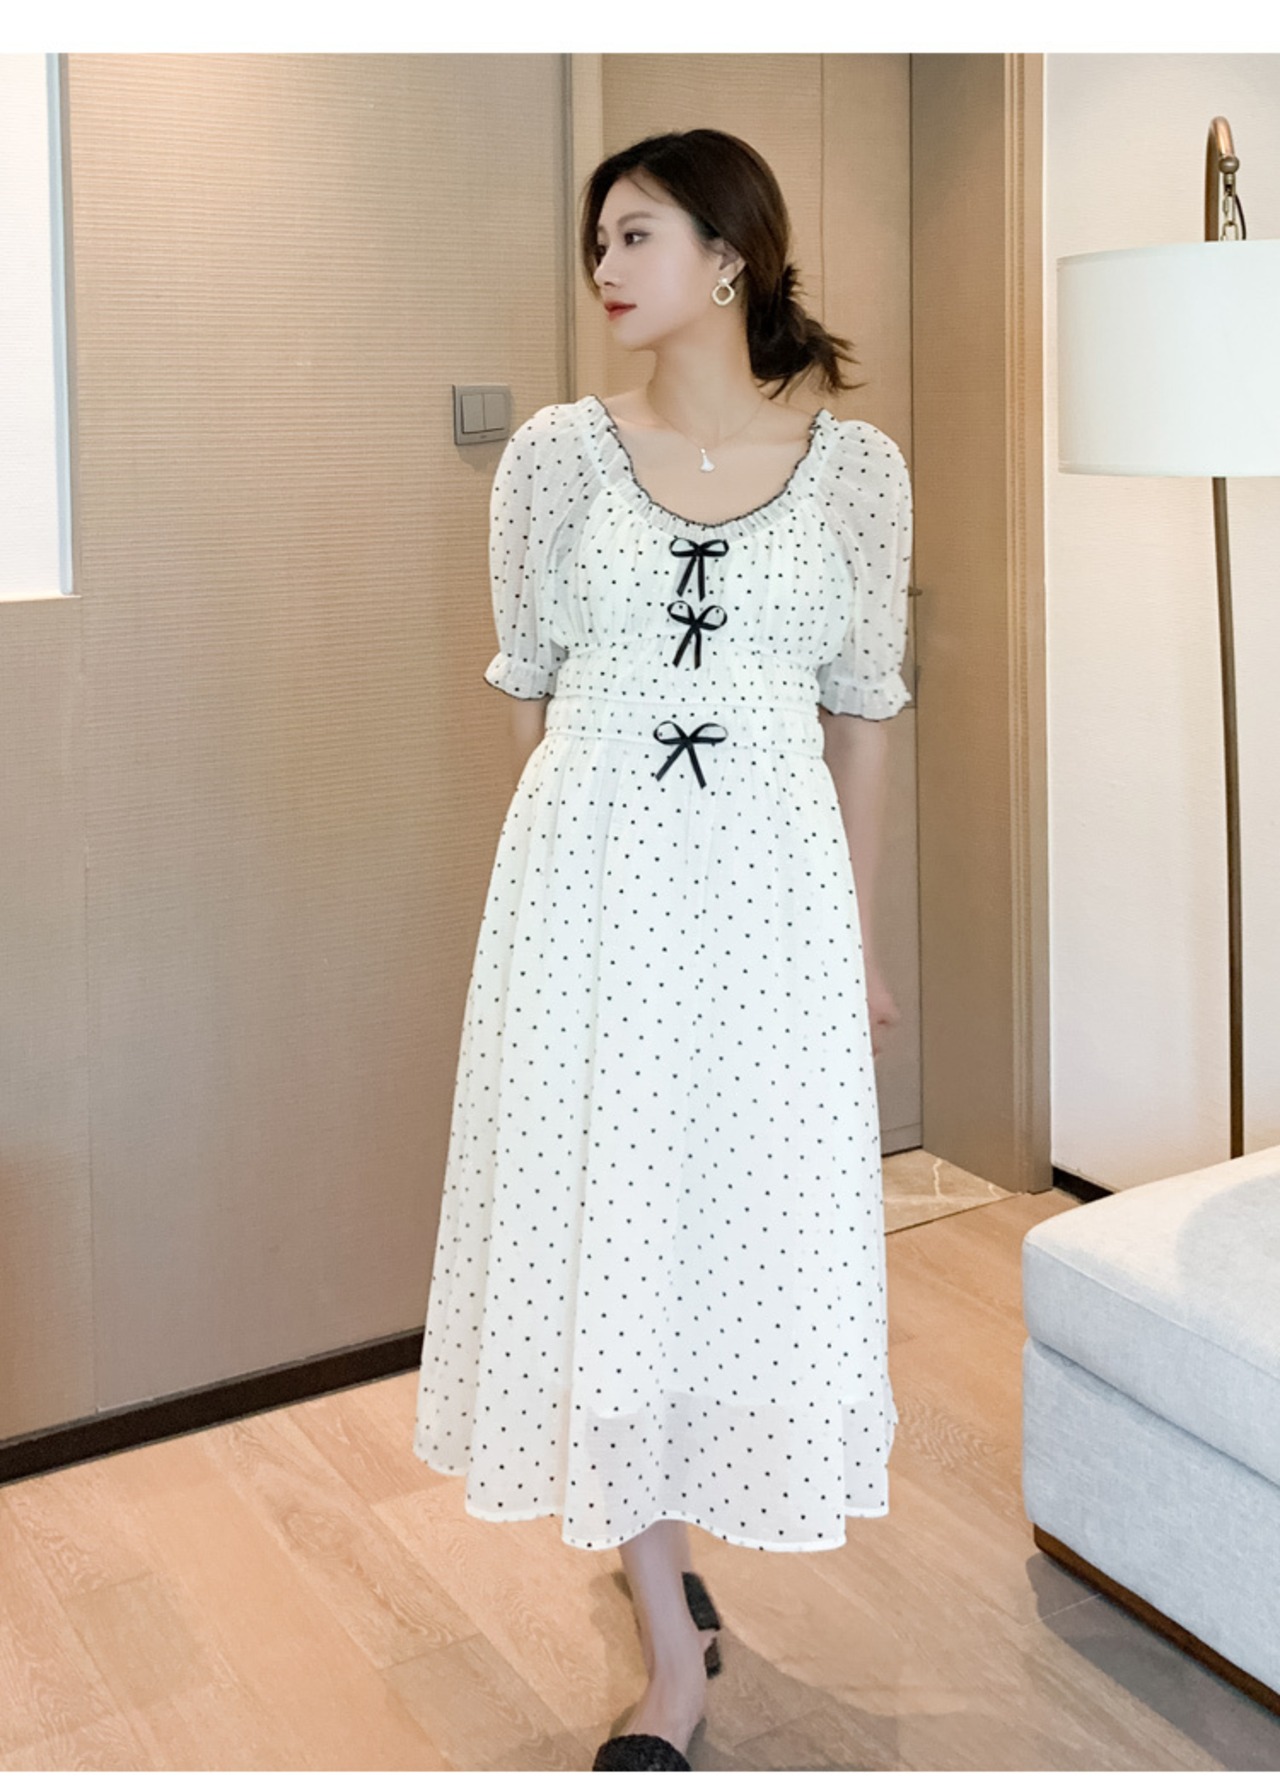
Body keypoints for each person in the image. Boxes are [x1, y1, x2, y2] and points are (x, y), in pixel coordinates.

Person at [414, 126, 913, 1772]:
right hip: (591, 904)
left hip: (771, 911)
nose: (606, 268)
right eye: (599, 242)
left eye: (636, 236)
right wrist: (553, 908)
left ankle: (679, 1543)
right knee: (607, 1229)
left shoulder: (858, 473)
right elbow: (534, 701)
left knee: (732, 1232)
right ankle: (669, 1652)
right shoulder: (556, 459)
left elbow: (863, 721)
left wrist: (853, 945)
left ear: (729, 256)